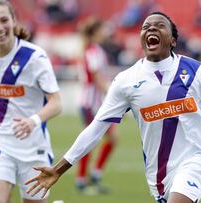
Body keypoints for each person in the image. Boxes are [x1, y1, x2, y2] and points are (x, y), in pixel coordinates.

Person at [25, 12, 201, 203]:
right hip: (158, 175)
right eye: (145, 27)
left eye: (159, 25)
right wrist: (60, 168)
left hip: (196, 161)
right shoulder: (126, 81)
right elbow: (96, 128)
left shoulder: (197, 72)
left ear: (172, 39)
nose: (150, 29)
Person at [0, 0, 62, 203]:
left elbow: (56, 102)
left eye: (4, 20)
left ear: (14, 20)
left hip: (34, 147)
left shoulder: (35, 57)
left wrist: (33, 120)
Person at [75, 17, 118, 194]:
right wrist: (115, 96)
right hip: (91, 104)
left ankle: (93, 175)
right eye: (102, 28)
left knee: (110, 138)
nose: (106, 32)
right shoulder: (93, 51)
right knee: (90, 141)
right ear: (95, 32)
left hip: (96, 103)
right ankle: (83, 179)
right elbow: (97, 79)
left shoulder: (95, 50)